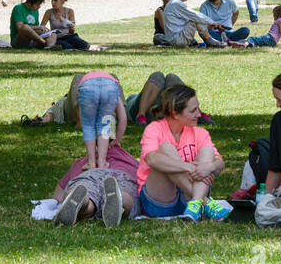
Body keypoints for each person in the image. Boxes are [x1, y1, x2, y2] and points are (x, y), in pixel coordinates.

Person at [137, 83, 230, 221]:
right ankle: (204, 202)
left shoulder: (200, 132)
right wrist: (189, 167)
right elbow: (151, 159)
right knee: (165, 149)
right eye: (193, 111)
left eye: (198, 108)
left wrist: (208, 167)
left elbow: (220, 163)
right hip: (161, 201)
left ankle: (194, 205)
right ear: (175, 113)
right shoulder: (154, 129)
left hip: (187, 200)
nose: (199, 114)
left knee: (207, 150)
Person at [52, 143, 141, 228]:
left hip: (89, 173)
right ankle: (120, 199)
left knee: (84, 192)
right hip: (122, 175)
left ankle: (82, 203)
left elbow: (57, 195)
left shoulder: (81, 162)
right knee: (125, 192)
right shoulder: (130, 160)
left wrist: (57, 198)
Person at [76, 70, 126, 169]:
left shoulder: (87, 80)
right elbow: (123, 119)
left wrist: (91, 144)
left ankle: (91, 162)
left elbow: (83, 123)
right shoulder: (113, 90)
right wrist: (117, 140)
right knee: (104, 124)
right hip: (110, 87)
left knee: (88, 125)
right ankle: (102, 162)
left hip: (87, 86)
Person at [160, 0, 230, 47]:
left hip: (175, 39)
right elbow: (195, 15)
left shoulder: (174, 3)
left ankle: (210, 41)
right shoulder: (176, 4)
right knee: (196, 19)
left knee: (197, 18)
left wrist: (208, 24)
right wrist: (214, 23)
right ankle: (210, 41)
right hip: (177, 40)